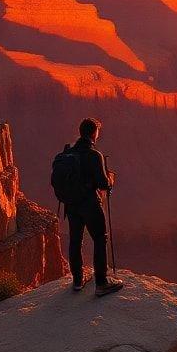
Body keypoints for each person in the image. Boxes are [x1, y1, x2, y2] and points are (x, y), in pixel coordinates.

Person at [63, 117, 120, 295]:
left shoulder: (68, 153)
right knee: (100, 239)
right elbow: (103, 184)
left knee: (75, 241)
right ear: (94, 133)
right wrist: (110, 179)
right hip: (90, 204)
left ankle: (78, 281)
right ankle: (102, 283)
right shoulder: (94, 155)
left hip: (71, 205)